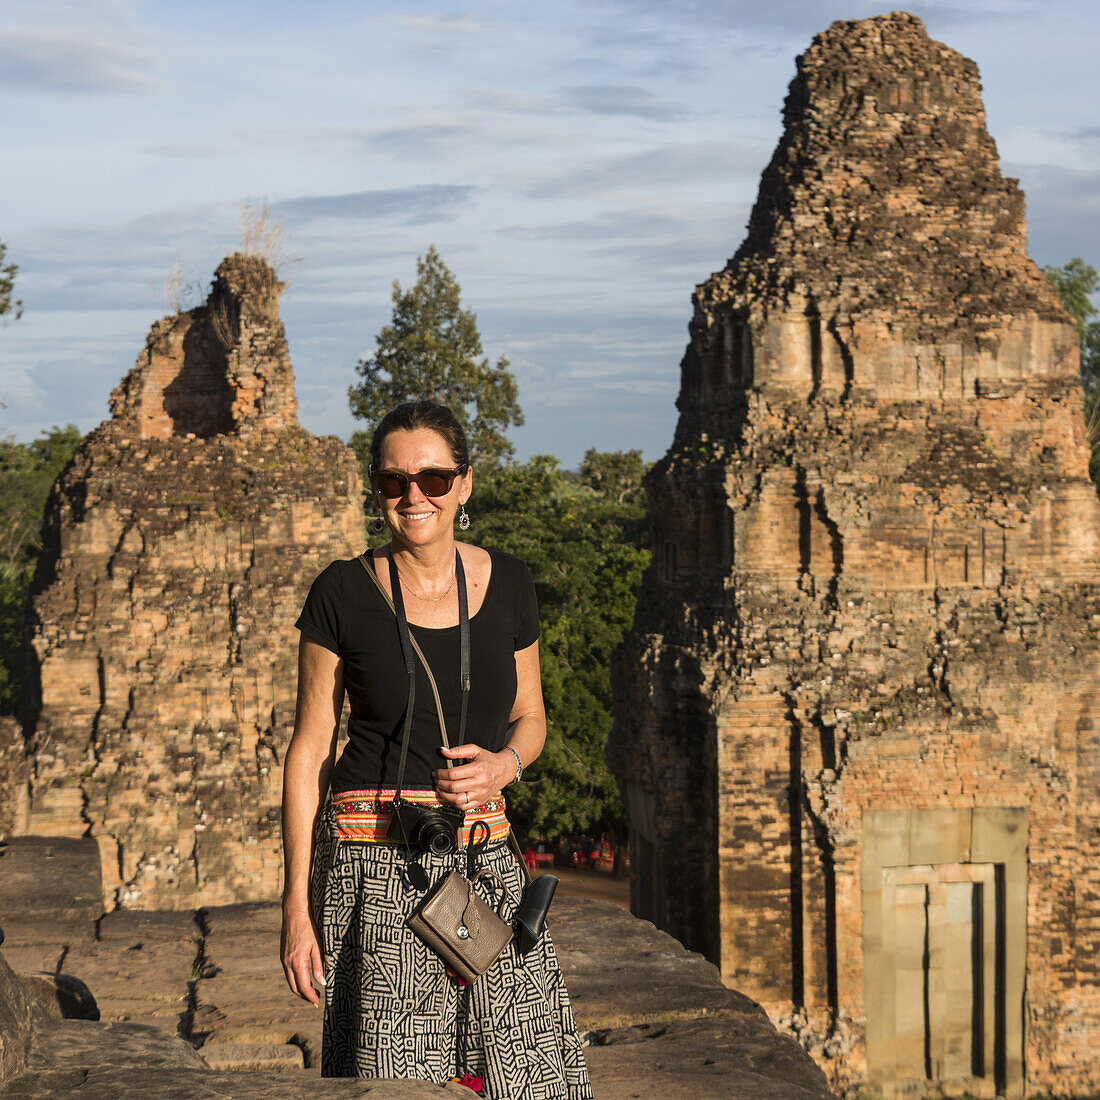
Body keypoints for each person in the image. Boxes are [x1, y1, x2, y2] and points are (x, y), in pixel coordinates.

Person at [280, 399, 593, 1098]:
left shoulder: (510, 583)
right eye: (394, 482)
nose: (414, 496)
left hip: (484, 860)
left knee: (527, 1072)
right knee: (395, 1079)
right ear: (377, 490)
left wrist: (504, 765)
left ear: (465, 484)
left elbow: (532, 718)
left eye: (433, 478)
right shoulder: (340, 592)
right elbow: (309, 752)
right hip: (375, 867)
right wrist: (296, 909)